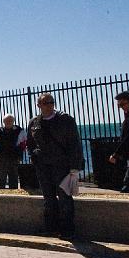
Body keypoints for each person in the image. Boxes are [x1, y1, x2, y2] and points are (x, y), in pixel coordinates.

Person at [27, 93, 84, 239]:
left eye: (51, 102)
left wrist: (75, 166)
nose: (49, 105)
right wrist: (34, 156)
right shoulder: (34, 122)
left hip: (62, 164)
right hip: (43, 165)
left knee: (65, 197)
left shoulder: (65, 119)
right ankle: (50, 227)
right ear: (39, 105)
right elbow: (30, 142)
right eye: (45, 103)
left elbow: (74, 143)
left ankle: (67, 230)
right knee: (48, 197)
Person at [0, 114, 26, 189]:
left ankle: (13, 192)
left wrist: (19, 154)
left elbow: (23, 144)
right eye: (7, 121)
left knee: (13, 175)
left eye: (10, 120)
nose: (8, 122)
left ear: (13, 121)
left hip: (13, 156)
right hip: (1, 156)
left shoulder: (19, 131)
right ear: (3, 121)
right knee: (1, 175)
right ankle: (1, 191)